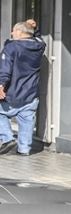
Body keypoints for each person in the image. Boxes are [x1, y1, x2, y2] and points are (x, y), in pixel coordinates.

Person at [0, 20, 46, 155]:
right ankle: (24, 149)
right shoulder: (39, 46)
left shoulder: (11, 47)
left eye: (13, 31)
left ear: (19, 32)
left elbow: (5, 69)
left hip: (12, 93)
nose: (11, 33)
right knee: (26, 120)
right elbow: (38, 38)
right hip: (30, 94)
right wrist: (35, 29)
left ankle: (7, 138)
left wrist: (1, 85)